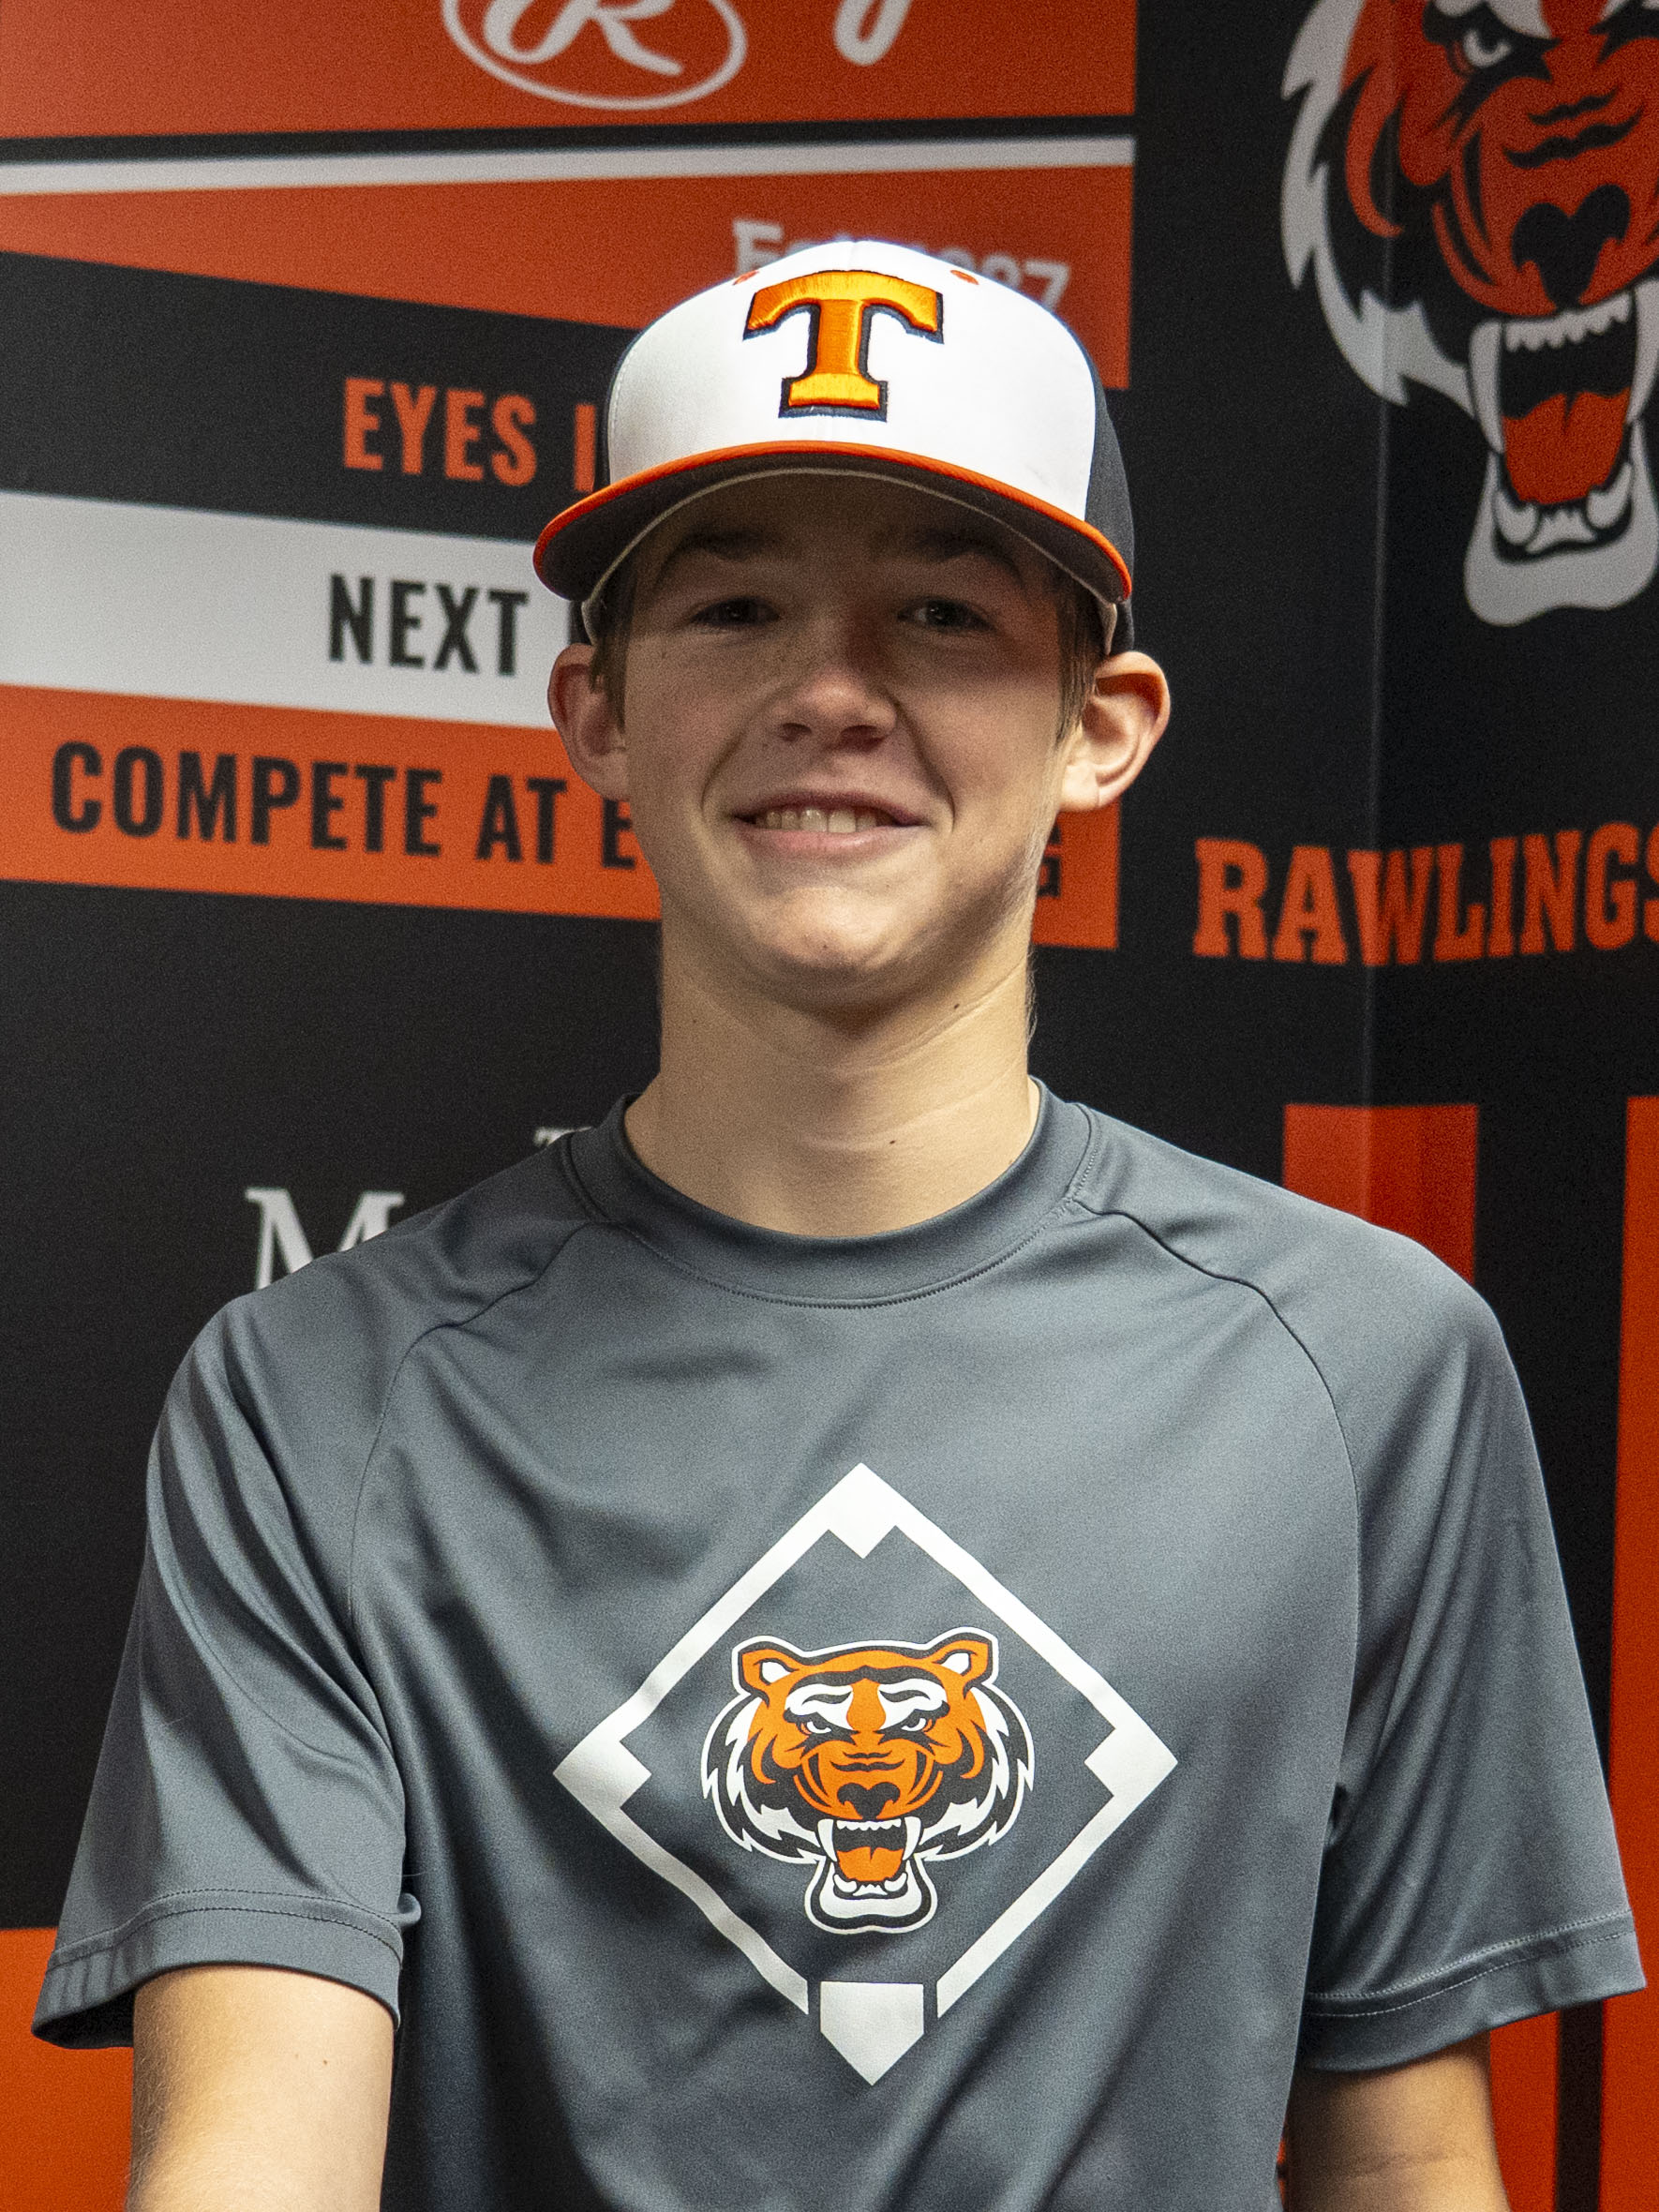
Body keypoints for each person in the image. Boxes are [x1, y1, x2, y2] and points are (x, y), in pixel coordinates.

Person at [36, 240, 1639, 2209]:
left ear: (1104, 724)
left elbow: (1406, 2163)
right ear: (598, 709)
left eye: (944, 614)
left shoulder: (1369, 1365)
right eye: (734, 607)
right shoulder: (315, 1398)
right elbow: (253, 2165)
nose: (828, 695)